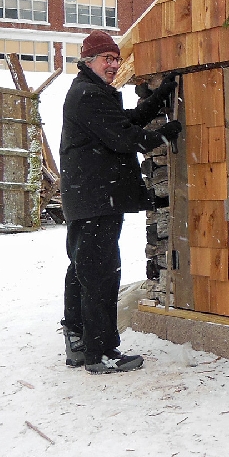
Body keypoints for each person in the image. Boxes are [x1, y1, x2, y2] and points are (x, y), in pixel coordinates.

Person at [59, 30, 181, 374]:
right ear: (88, 61)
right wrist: (161, 135)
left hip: (90, 199)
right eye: (106, 59)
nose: (113, 65)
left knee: (83, 269)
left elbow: (123, 120)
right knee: (100, 275)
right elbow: (124, 136)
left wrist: (158, 98)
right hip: (97, 199)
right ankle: (102, 352)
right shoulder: (87, 95)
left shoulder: (90, 92)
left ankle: (78, 341)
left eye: (116, 59)